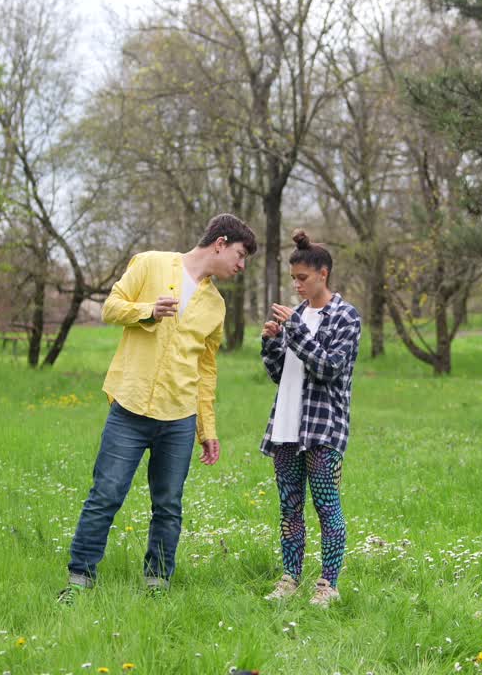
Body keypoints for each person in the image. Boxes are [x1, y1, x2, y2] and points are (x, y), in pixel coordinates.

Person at [58, 214, 257, 604]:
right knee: (106, 495)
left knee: (168, 505)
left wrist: (207, 428)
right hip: (130, 409)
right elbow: (110, 308)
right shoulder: (150, 263)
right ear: (220, 242)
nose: (241, 265)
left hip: (179, 418)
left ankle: (157, 586)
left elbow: (206, 369)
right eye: (239, 254)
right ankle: (79, 579)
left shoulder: (215, 306)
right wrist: (148, 309)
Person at [259, 229, 362, 607]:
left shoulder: (345, 317)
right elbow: (282, 373)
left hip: (323, 429)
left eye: (303, 278)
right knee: (289, 508)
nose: (297, 285)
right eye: (293, 279)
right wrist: (272, 341)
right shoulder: (297, 316)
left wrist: (296, 331)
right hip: (286, 426)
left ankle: (328, 585)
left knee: (326, 505)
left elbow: (329, 367)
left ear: (323, 274)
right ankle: (290, 577)